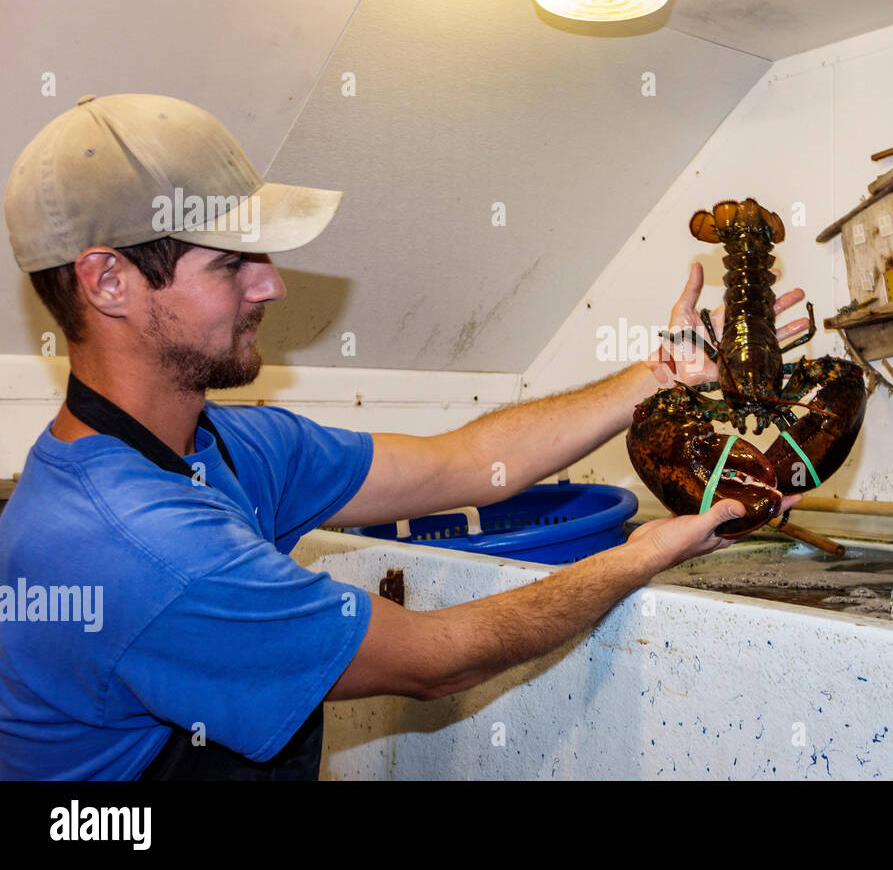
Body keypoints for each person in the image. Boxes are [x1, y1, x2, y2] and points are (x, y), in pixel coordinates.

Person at [0, 94, 807, 780]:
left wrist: (660, 379)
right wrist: (645, 553)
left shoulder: (226, 447)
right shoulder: (139, 547)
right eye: (230, 263)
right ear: (108, 281)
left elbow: (465, 465)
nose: (272, 284)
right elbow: (438, 659)